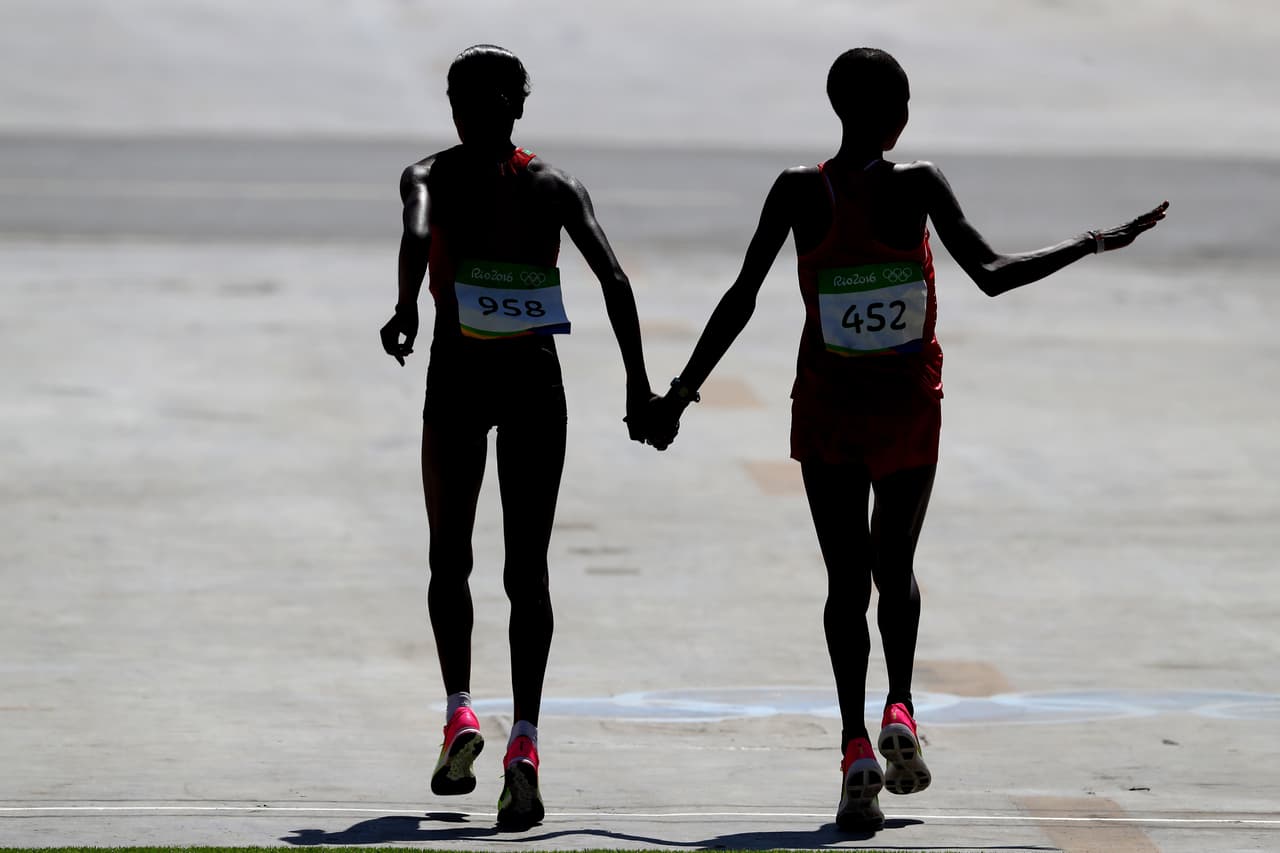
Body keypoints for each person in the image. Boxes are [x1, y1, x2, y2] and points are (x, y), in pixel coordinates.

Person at [646, 47, 1167, 832]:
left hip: (826, 407)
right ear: (898, 115)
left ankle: (857, 743)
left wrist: (681, 394)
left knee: (844, 580)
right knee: (897, 569)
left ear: (836, 106)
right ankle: (901, 704)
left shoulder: (797, 191)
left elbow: (742, 297)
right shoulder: (918, 184)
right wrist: (1094, 240)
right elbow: (990, 272)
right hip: (906, 407)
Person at [379, 44, 656, 830]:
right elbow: (614, 280)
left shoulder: (428, 176)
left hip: (459, 376)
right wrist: (637, 385)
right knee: (526, 572)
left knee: (449, 555)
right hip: (535, 380)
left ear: (456, 108)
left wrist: (405, 306)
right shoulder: (554, 186)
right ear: (521, 106)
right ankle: (525, 743)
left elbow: (414, 231)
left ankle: (461, 712)